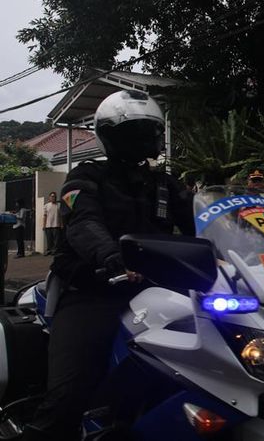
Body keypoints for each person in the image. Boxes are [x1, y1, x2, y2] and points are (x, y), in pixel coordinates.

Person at [24, 90, 195, 440]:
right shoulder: (87, 177)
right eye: (137, 131)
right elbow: (83, 222)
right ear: (112, 135)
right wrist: (111, 257)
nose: (146, 138)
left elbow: (201, 218)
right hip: (92, 290)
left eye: (150, 130)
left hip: (156, 293)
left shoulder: (164, 183)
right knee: (67, 396)